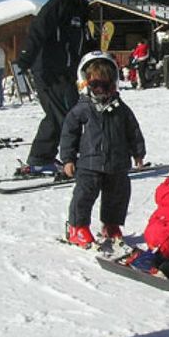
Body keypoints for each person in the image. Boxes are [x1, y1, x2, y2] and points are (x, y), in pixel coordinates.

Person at [16, 0, 99, 173]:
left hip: (67, 71)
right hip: (49, 69)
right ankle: (54, 159)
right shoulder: (61, 2)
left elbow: (83, 42)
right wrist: (26, 57)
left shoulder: (82, 9)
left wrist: (96, 56)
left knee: (68, 113)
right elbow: (39, 27)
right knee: (62, 114)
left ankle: (46, 158)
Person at [60, 51, 145, 248]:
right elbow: (69, 134)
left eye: (105, 85)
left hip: (117, 162)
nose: (100, 90)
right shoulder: (82, 109)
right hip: (89, 163)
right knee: (84, 195)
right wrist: (68, 159)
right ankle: (77, 227)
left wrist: (138, 152)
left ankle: (111, 225)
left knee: (117, 195)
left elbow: (133, 130)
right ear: (85, 83)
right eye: (95, 85)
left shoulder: (121, 108)